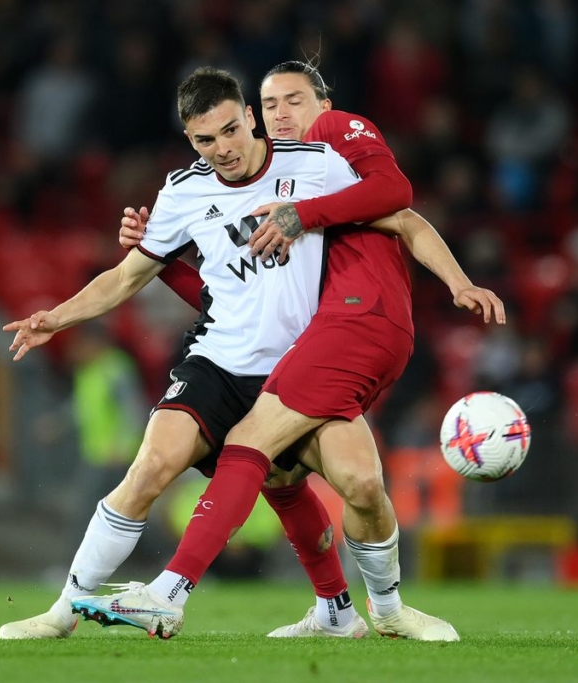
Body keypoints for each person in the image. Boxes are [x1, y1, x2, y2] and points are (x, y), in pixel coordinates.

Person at [76, 60, 504, 640]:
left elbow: (402, 207)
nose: (282, 114)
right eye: (272, 102)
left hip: (354, 326)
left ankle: (168, 593)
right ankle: (363, 611)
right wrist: (162, 256)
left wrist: (457, 282)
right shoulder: (287, 186)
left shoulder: (330, 150)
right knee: (356, 483)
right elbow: (227, 291)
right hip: (331, 337)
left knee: (250, 440)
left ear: (325, 104)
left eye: (294, 100)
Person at [0, 66, 374, 640]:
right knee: (150, 466)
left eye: (230, 131)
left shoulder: (314, 164)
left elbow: (386, 211)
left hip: (299, 365)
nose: (222, 149)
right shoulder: (183, 191)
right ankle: (66, 609)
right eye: (205, 139)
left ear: (250, 117)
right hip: (218, 361)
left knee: (330, 485)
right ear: (189, 140)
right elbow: (126, 277)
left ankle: (345, 612)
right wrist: (57, 317)